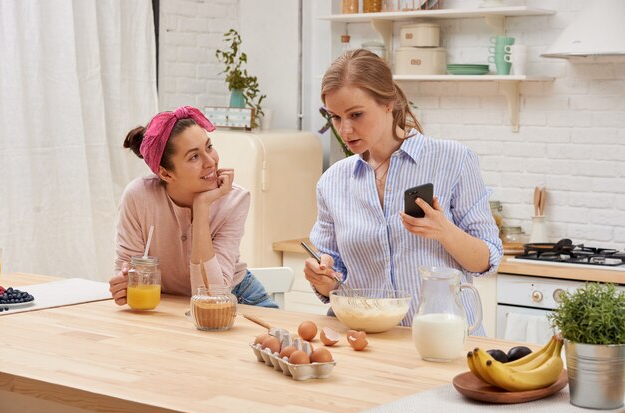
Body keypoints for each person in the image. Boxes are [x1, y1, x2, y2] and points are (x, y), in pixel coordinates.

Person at [303, 49, 503, 335]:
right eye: (335, 117)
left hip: (444, 340)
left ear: (388, 103)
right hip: (366, 342)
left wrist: (444, 231)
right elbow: (335, 272)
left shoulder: (454, 160)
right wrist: (323, 278)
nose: (345, 130)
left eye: (356, 114)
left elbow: (487, 260)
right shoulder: (332, 181)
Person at [108, 106, 278, 308]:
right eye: (194, 157)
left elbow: (211, 296)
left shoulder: (233, 199)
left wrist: (202, 207)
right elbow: (128, 270)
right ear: (166, 174)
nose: (210, 162)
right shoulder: (138, 197)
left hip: (238, 299)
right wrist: (124, 285)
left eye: (209, 147)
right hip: (169, 305)